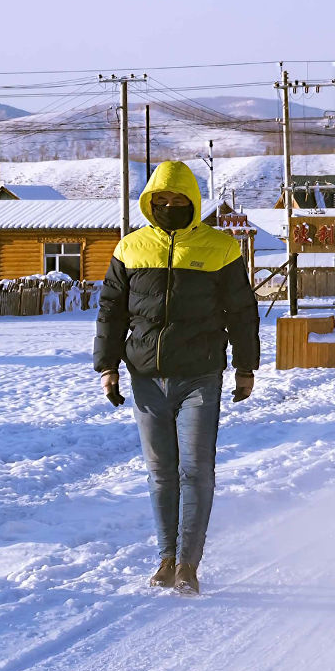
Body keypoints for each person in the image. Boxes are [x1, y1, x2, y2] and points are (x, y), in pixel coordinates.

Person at [96, 160, 259, 595]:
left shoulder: (220, 247)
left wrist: (246, 367)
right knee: (160, 472)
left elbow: (242, 313)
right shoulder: (130, 248)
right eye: (161, 200)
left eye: (178, 199)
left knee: (195, 470)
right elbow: (111, 312)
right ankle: (166, 557)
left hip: (200, 375)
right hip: (146, 377)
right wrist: (107, 367)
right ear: (150, 202)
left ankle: (189, 563)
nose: (170, 206)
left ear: (193, 201)